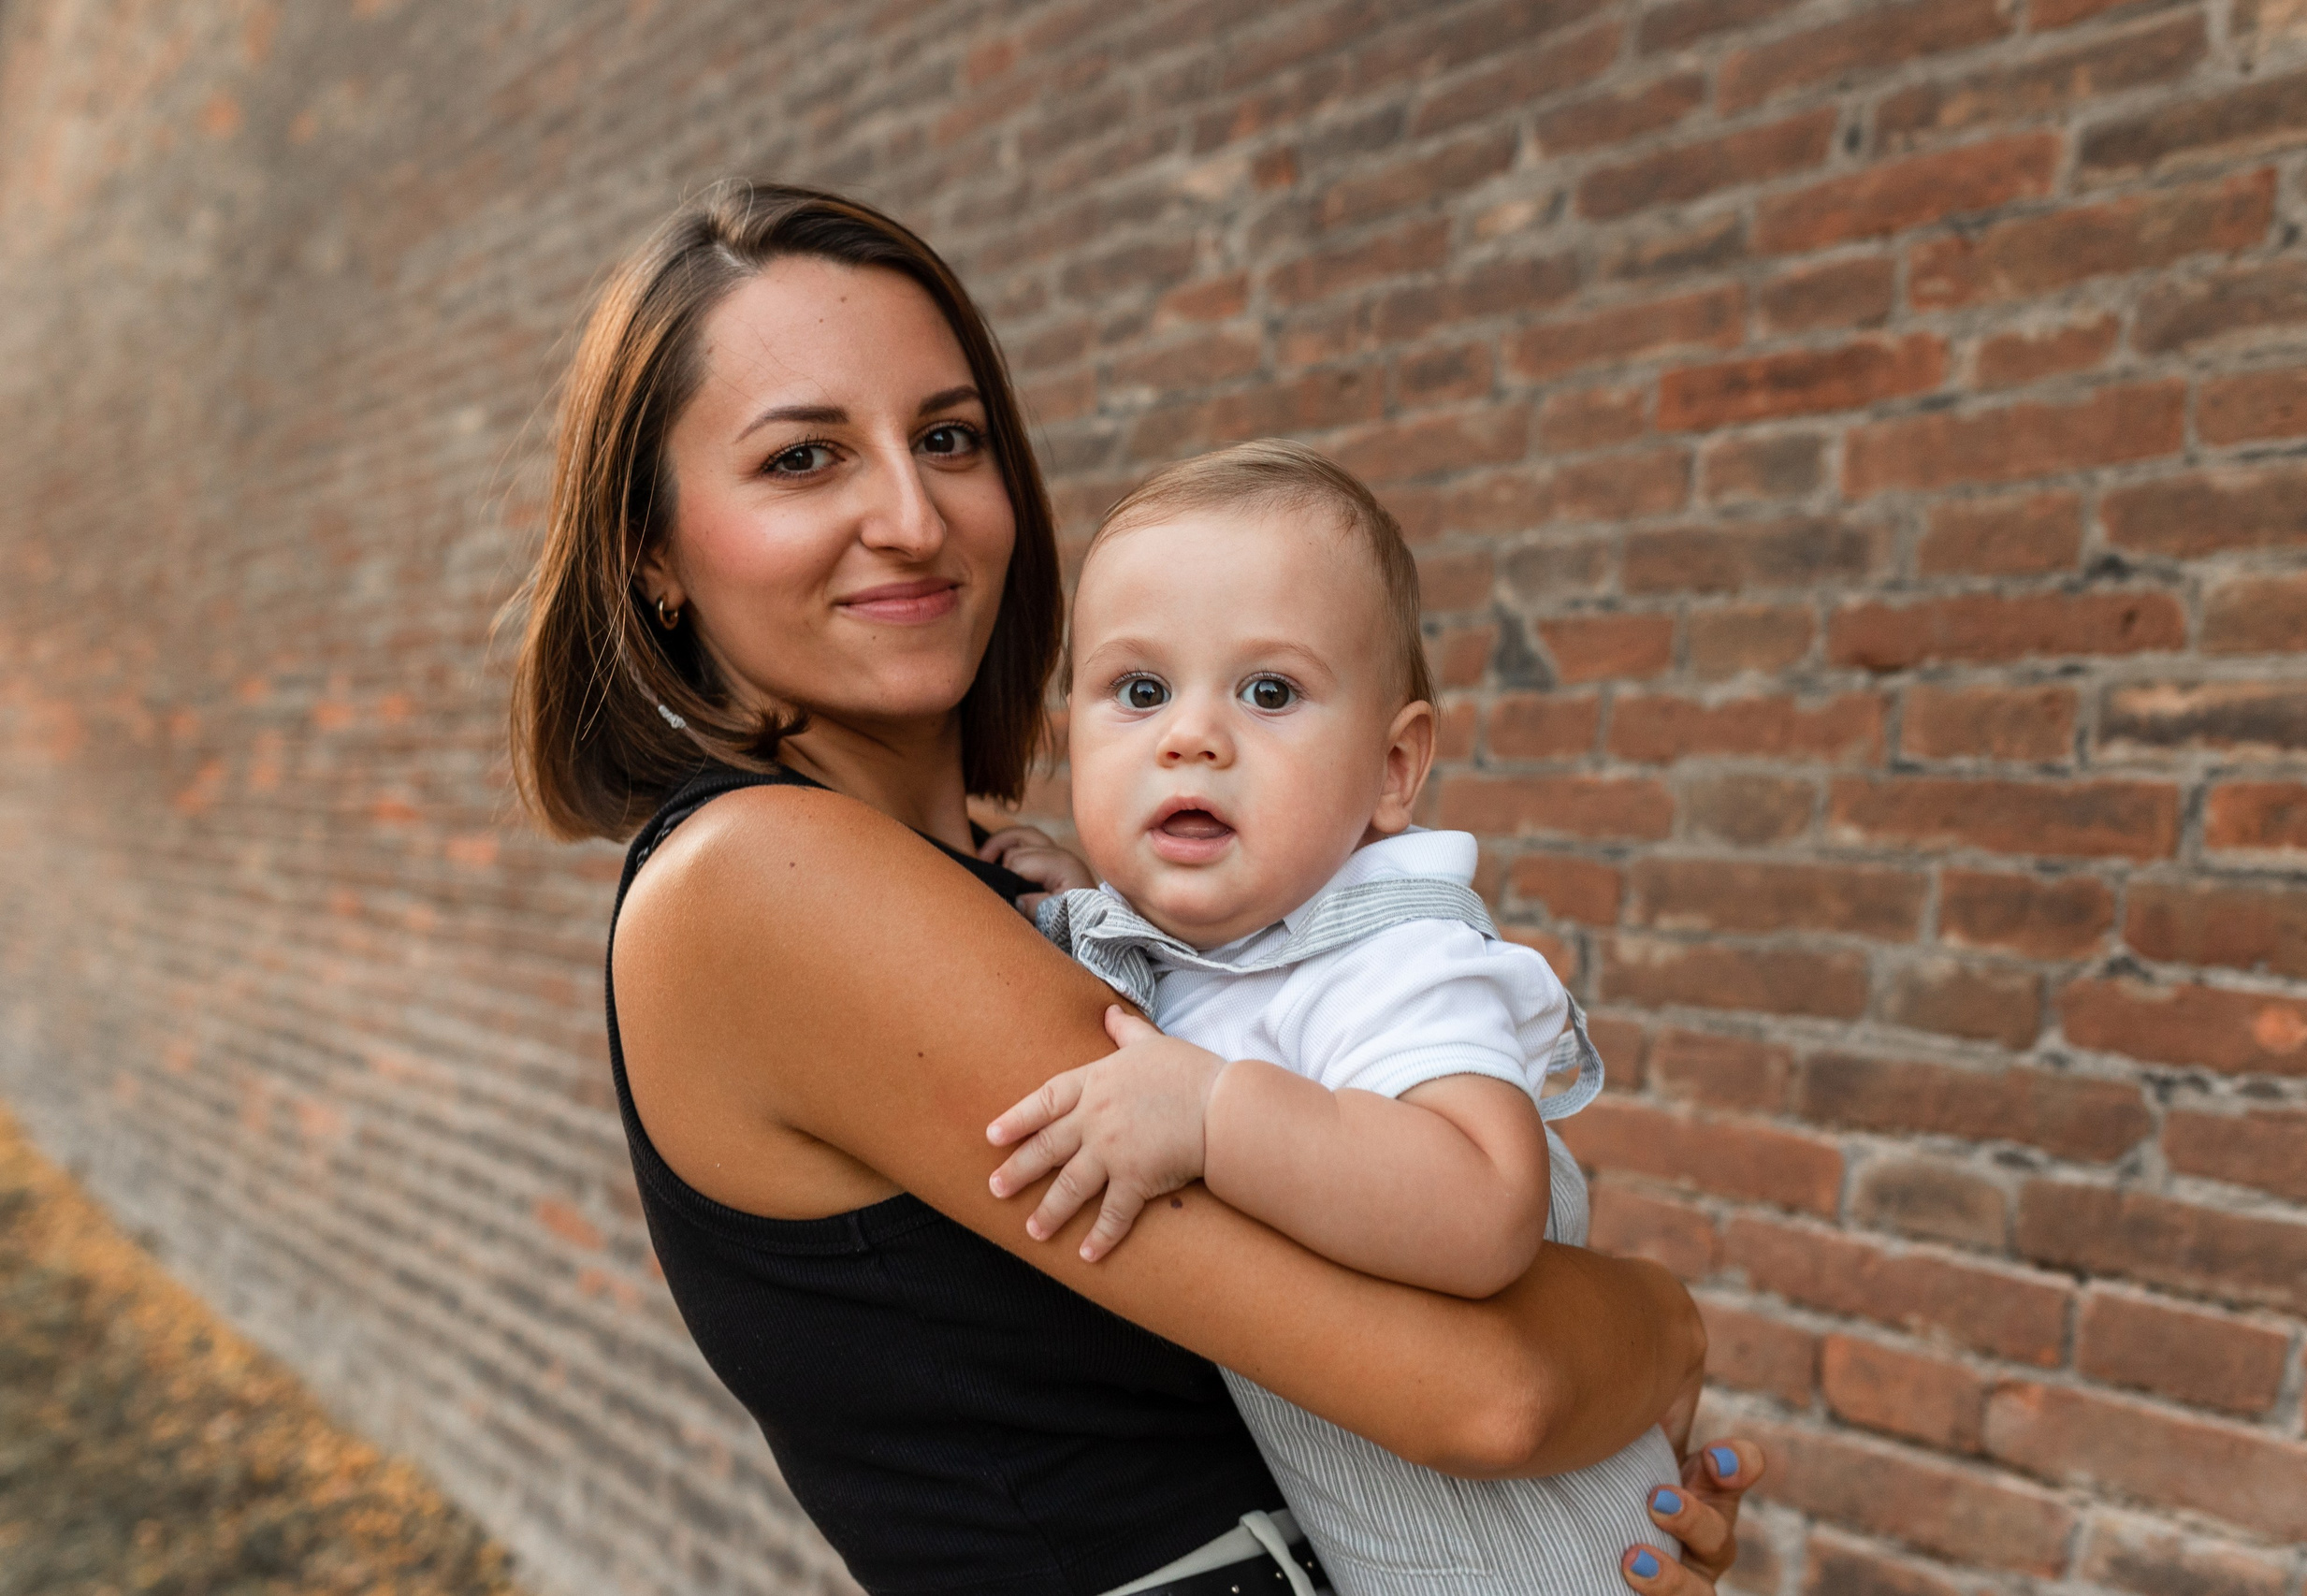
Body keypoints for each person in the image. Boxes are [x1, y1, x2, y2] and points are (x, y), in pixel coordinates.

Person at [508, 179, 1763, 1596]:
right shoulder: (762, 878)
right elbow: (1494, 1394)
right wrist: (1661, 1326)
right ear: (653, 550)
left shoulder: (1054, 901)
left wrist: (1572, 1534)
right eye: (804, 460)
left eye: (948, 437)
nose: (913, 516)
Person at [978, 440, 1682, 1593]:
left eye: (1270, 691)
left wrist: (1210, 1110)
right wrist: (1098, 905)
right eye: (1139, 690)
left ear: (1394, 766)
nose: (1190, 736)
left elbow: (1479, 1202)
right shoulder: (1224, 948)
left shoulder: (1394, 958)